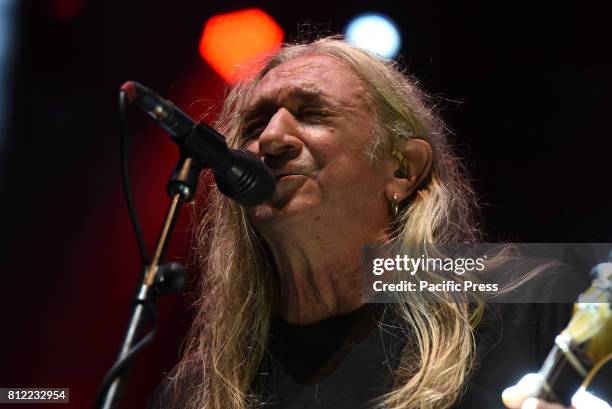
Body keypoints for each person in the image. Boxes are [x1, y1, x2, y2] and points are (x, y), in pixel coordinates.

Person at [148, 37, 609, 409]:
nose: (271, 139)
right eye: (253, 125)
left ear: (403, 171)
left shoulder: (528, 307)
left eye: (312, 114)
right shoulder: (194, 394)